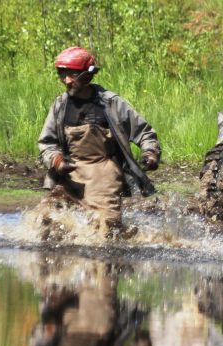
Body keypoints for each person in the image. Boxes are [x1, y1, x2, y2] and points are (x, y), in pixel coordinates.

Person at [38, 47, 160, 237]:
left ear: (87, 75)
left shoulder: (111, 103)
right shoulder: (60, 105)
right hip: (69, 175)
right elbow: (47, 143)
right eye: (62, 74)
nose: (67, 80)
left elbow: (145, 133)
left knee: (107, 232)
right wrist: (56, 161)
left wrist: (150, 153)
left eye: (72, 74)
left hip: (105, 176)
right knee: (45, 222)